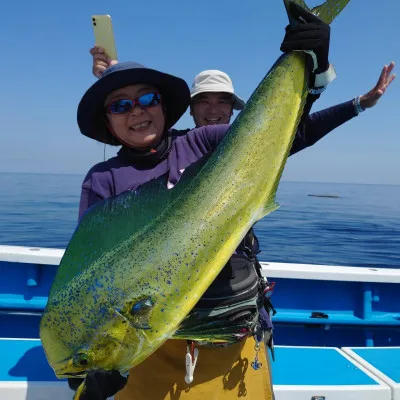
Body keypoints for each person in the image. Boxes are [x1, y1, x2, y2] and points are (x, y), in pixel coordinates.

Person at [71, 5, 395, 400]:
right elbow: (91, 277)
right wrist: (91, 369)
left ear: (165, 106)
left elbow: (280, 131)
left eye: (147, 99)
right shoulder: (101, 180)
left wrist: (314, 71)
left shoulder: (203, 144)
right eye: (120, 106)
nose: (137, 110)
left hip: (233, 343)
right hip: (148, 352)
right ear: (107, 122)